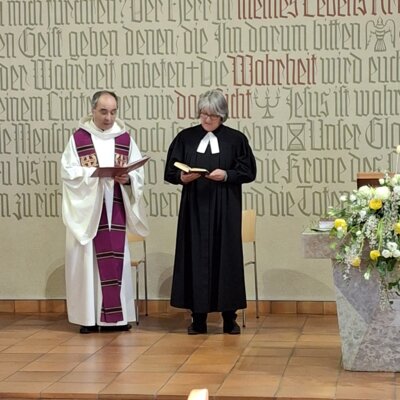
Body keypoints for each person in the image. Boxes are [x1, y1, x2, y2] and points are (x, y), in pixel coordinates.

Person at [164, 89, 257, 335]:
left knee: (226, 258)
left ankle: (229, 318)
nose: (207, 120)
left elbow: (248, 171)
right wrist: (183, 177)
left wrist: (226, 174)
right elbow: (170, 171)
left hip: (225, 207)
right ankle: (198, 319)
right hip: (194, 207)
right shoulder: (185, 138)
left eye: (212, 116)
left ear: (222, 115)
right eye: (203, 114)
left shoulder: (236, 139)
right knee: (195, 257)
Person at [61, 90, 148, 334]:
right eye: (103, 112)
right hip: (90, 210)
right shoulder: (79, 139)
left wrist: (128, 178)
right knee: (88, 262)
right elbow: (68, 172)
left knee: (116, 259)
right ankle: (89, 318)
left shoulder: (124, 139)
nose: (109, 118)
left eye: (113, 112)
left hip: (115, 206)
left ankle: (116, 319)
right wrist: (93, 173)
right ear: (92, 110)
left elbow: (137, 174)